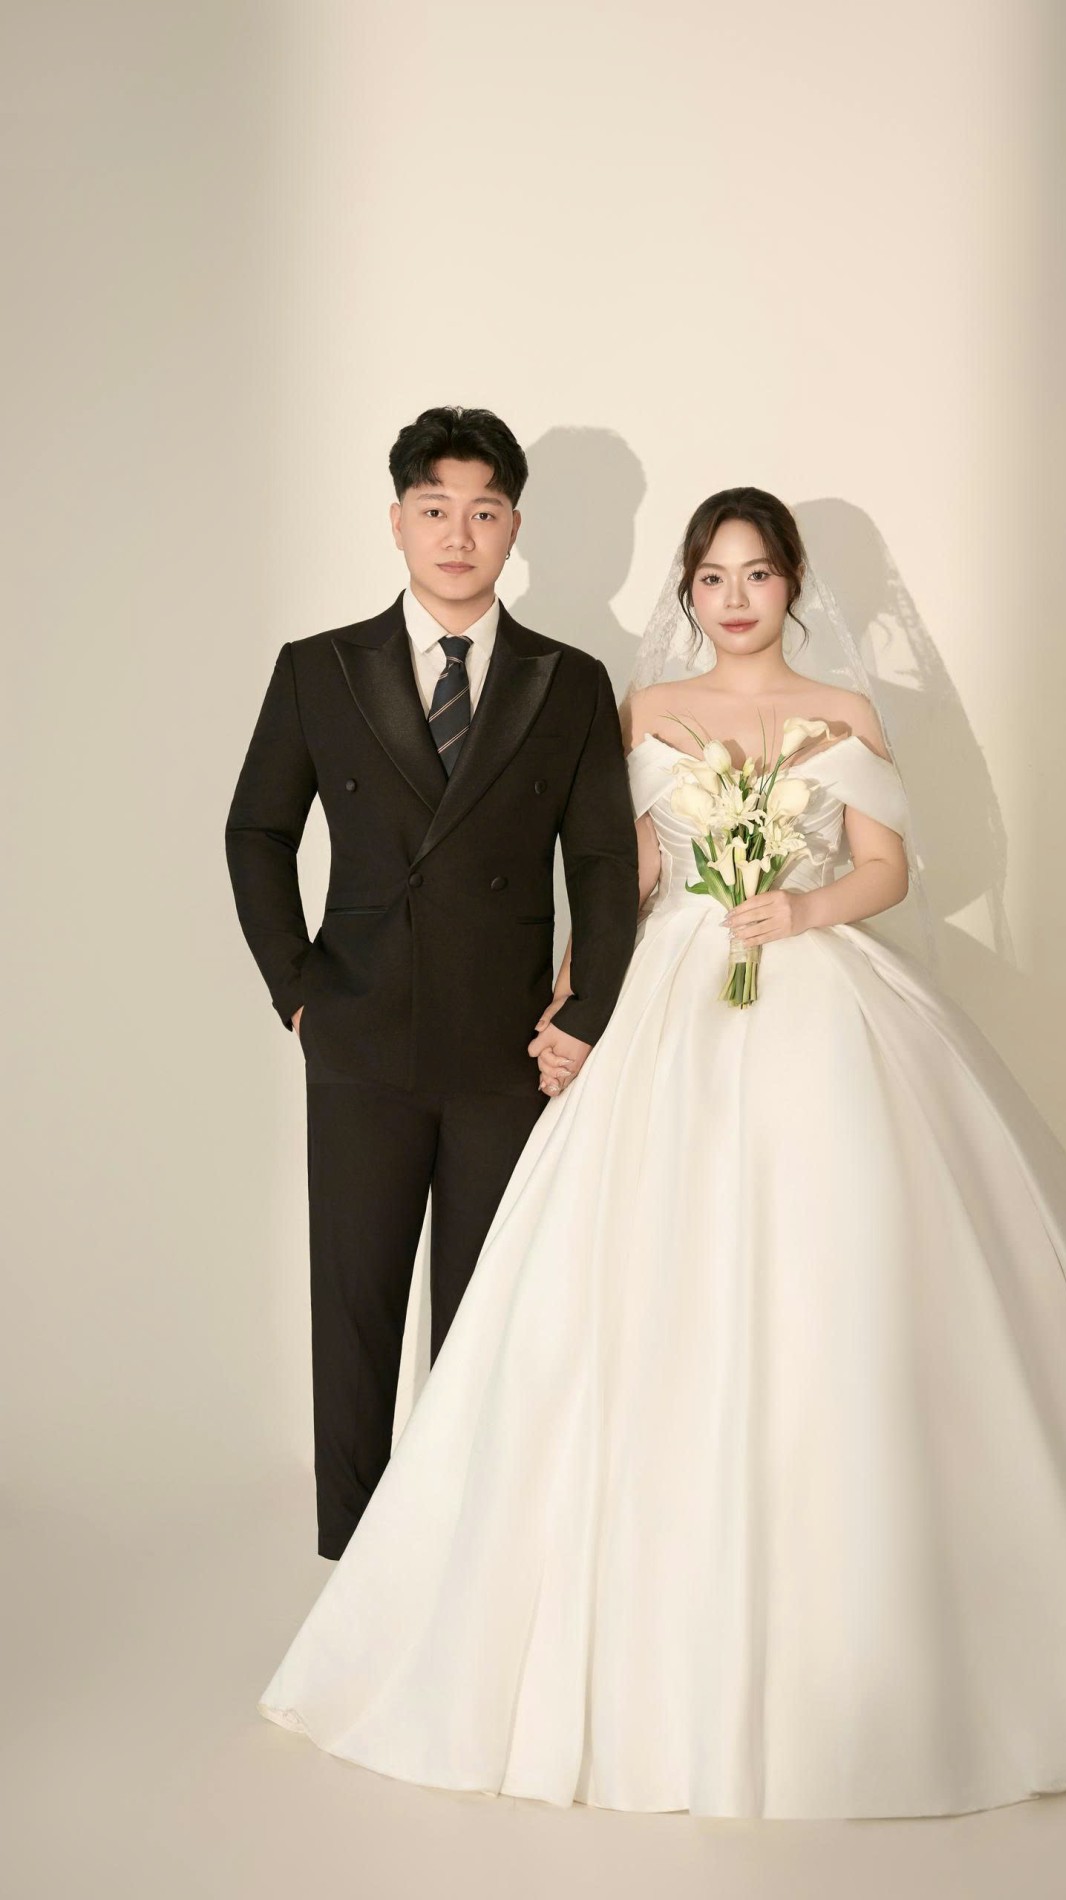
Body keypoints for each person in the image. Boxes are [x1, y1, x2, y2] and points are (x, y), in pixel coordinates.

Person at [257, 487, 1066, 1818]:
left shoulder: (842, 713)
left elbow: (887, 868)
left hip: (809, 979)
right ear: (688, 592)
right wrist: (576, 998)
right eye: (711, 578)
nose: (733, 599)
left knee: (837, 1258)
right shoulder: (641, 713)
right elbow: (618, 874)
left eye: (755, 574)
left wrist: (797, 908)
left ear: (792, 584)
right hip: (670, 990)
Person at [226, 405, 639, 1560]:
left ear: (515, 528)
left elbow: (603, 863)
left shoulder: (568, 681)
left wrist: (587, 1013)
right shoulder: (319, 668)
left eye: (484, 511)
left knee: (484, 1315)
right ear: (397, 521)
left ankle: (458, 1557)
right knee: (355, 1307)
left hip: (507, 1046)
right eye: (435, 508)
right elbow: (257, 831)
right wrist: (298, 989)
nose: (458, 534)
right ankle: (354, 1557)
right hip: (358, 1031)